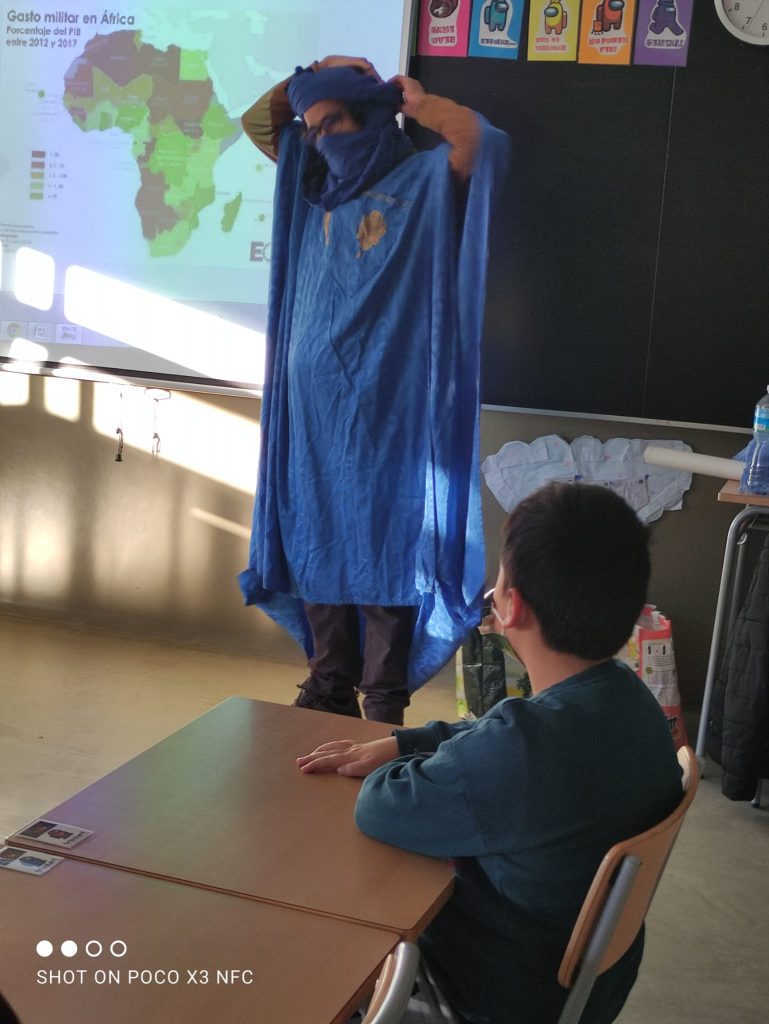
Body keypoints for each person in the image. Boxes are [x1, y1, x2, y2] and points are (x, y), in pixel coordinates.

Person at [297, 482, 684, 1024]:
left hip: (492, 996)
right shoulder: (629, 699)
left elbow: (381, 805)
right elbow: (488, 736)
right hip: (584, 986)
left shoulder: (523, 747)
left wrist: (407, 760)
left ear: (512, 607)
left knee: (324, 918)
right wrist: (407, 740)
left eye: (498, 580)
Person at [238, 56, 510, 725]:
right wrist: (316, 75)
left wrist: (417, 104)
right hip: (311, 409)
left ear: (370, 115)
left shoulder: (422, 179)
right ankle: (329, 680)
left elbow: (481, 144)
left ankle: (382, 697)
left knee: (385, 540)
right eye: (310, 128)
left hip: (390, 406)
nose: (318, 139)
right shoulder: (310, 187)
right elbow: (257, 123)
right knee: (316, 533)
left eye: (331, 122)